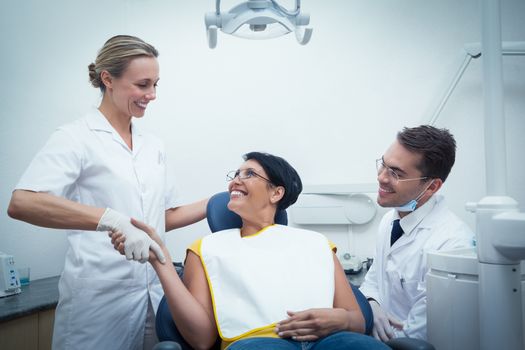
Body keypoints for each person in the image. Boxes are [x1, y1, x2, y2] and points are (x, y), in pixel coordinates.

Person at [7, 35, 207, 350]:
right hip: (98, 303)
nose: (152, 95)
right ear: (107, 79)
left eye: (156, 84)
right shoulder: (75, 137)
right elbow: (23, 202)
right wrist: (111, 219)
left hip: (152, 297)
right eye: (142, 85)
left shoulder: (152, 145)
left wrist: (217, 203)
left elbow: (161, 217)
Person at [111, 152, 389, 350]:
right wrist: (161, 262)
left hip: (332, 340)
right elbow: (201, 340)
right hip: (258, 343)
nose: (235, 181)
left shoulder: (316, 243)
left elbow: (356, 320)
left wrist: (340, 318)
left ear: (276, 193)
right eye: (235, 175)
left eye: (249, 174)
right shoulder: (206, 249)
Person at [359, 125, 474, 341]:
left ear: (431, 187)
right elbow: (373, 281)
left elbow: (419, 333)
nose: (381, 178)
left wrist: (365, 326)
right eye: (383, 165)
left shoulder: (451, 245)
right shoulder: (390, 220)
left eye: (395, 173)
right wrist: (372, 306)